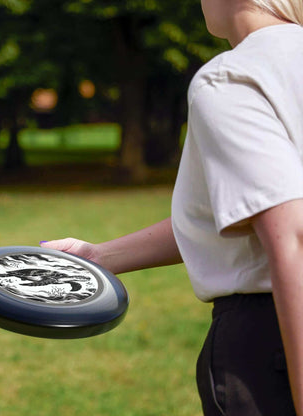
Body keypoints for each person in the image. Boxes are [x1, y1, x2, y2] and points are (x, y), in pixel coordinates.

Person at [40, 1, 303, 414]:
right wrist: (100, 256)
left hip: (273, 344)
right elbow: (239, 212)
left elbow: (293, 237)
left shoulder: (234, 78)